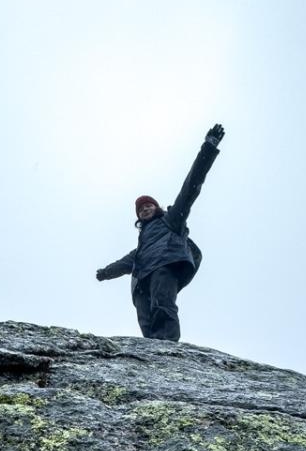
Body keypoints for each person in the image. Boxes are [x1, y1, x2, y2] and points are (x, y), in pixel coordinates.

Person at [95, 124, 224, 341]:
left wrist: (208, 147)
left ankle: (168, 348)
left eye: (149, 206)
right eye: (141, 209)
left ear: (156, 208)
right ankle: (153, 351)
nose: (145, 209)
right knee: (145, 319)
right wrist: (105, 273)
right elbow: (123, 264)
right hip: (141, 282)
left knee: (163, 306)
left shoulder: (171, 221)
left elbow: (191, 186)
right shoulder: (140, 249)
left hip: (165, 265)